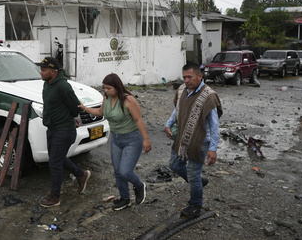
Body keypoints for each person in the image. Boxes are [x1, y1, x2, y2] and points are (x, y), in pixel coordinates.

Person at [79, 73, 152, 211]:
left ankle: (139, 185)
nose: (105, 91)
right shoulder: (106, 98)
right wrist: (85, 108)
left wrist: (146, 140)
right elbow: (101, 112)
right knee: (118, 172)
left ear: (117, 87)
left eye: (108, 88)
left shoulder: (128, 100)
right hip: (116, 139)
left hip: (132, 139)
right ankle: (125, 199)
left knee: (125, 171)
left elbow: (138, 120)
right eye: (104, 88)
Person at [165, 63, 223, 218]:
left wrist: (213, 148)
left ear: (200, 76)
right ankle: (198, 181)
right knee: (174, 164)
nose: (186, 80)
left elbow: (214, 125)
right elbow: (177, 109)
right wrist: (168, 124)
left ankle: (195, 205)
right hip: (182, 137)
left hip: (200, 141)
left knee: (193, 174)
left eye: (190, 77)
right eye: (184, 77)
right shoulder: (182, 90)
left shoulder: (209, 96)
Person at [36, 57, 91, 208]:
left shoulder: (63, 86)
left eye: (44, 70)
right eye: (41, 69)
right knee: (57, 158)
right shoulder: (47, 84)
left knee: (54, 162)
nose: (41, 72)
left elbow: (75, 106)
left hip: (64, 129)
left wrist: (73, 116)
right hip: (52, 128)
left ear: (53, 71)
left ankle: (55, 196)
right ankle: (81, 174)